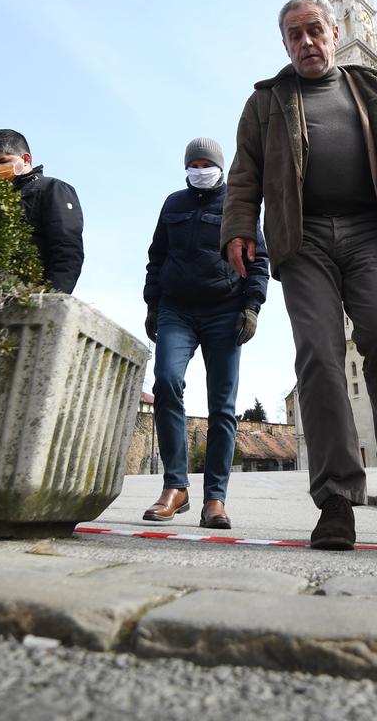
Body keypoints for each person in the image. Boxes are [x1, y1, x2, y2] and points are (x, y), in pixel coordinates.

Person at [221, 0, 377, 550]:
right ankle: (337, 498)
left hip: (370, 234)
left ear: (335, 32)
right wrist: (239, 228)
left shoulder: (372, 89)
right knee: (319, 354)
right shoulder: (266, 102)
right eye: (294, 35)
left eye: (314, 30)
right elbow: (244, 174)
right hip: (304, 238)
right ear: (285, 44)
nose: (306, 42)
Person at [142, 137, 269, 529]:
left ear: (219, 167)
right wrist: (152, 303)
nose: (200, 170)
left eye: (206, 164)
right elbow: (156, 257)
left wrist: (252, 306)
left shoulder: (238, 205)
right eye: (193, 165)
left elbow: (259, 260)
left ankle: (215, 499)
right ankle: (175, 487)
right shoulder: (173, 204)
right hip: (176, 310)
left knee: (222, 407)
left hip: (224, 311)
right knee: (166, 382)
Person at [0, 128, 84, 293]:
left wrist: (51, 297)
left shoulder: (52, 188)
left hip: (33, 294)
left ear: (26, 159)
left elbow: (67, 249)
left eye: (2, 161)